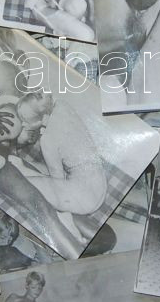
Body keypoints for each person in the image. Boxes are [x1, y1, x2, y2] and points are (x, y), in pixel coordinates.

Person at [15, 91, 108, 242]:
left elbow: (56, 181)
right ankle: (21, 168)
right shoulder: (63, 106)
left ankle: (71, 230)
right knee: (35, 176)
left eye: (25, 121)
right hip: (99, 185)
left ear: (37, 121)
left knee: (22, 184)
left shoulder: (47, 140)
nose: (24, 124)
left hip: (86, 198)